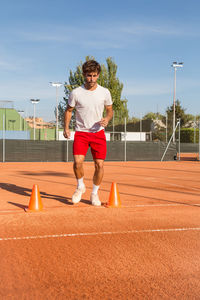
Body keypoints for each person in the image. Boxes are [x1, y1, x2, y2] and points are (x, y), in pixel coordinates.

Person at [63, 60, 113, 206]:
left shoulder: (105, 92)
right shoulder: (76, 93)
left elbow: (109, 110)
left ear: (98, 75)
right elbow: (69, 110)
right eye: (89, 75)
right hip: (81, 133)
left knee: (100, 165)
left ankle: (94, 194)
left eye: (94, 75)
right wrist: (66, 127)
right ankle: (80, 187)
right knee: (78, 163)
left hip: (98, 133)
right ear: (84, 74)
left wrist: (107, 119)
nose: (91, 79)